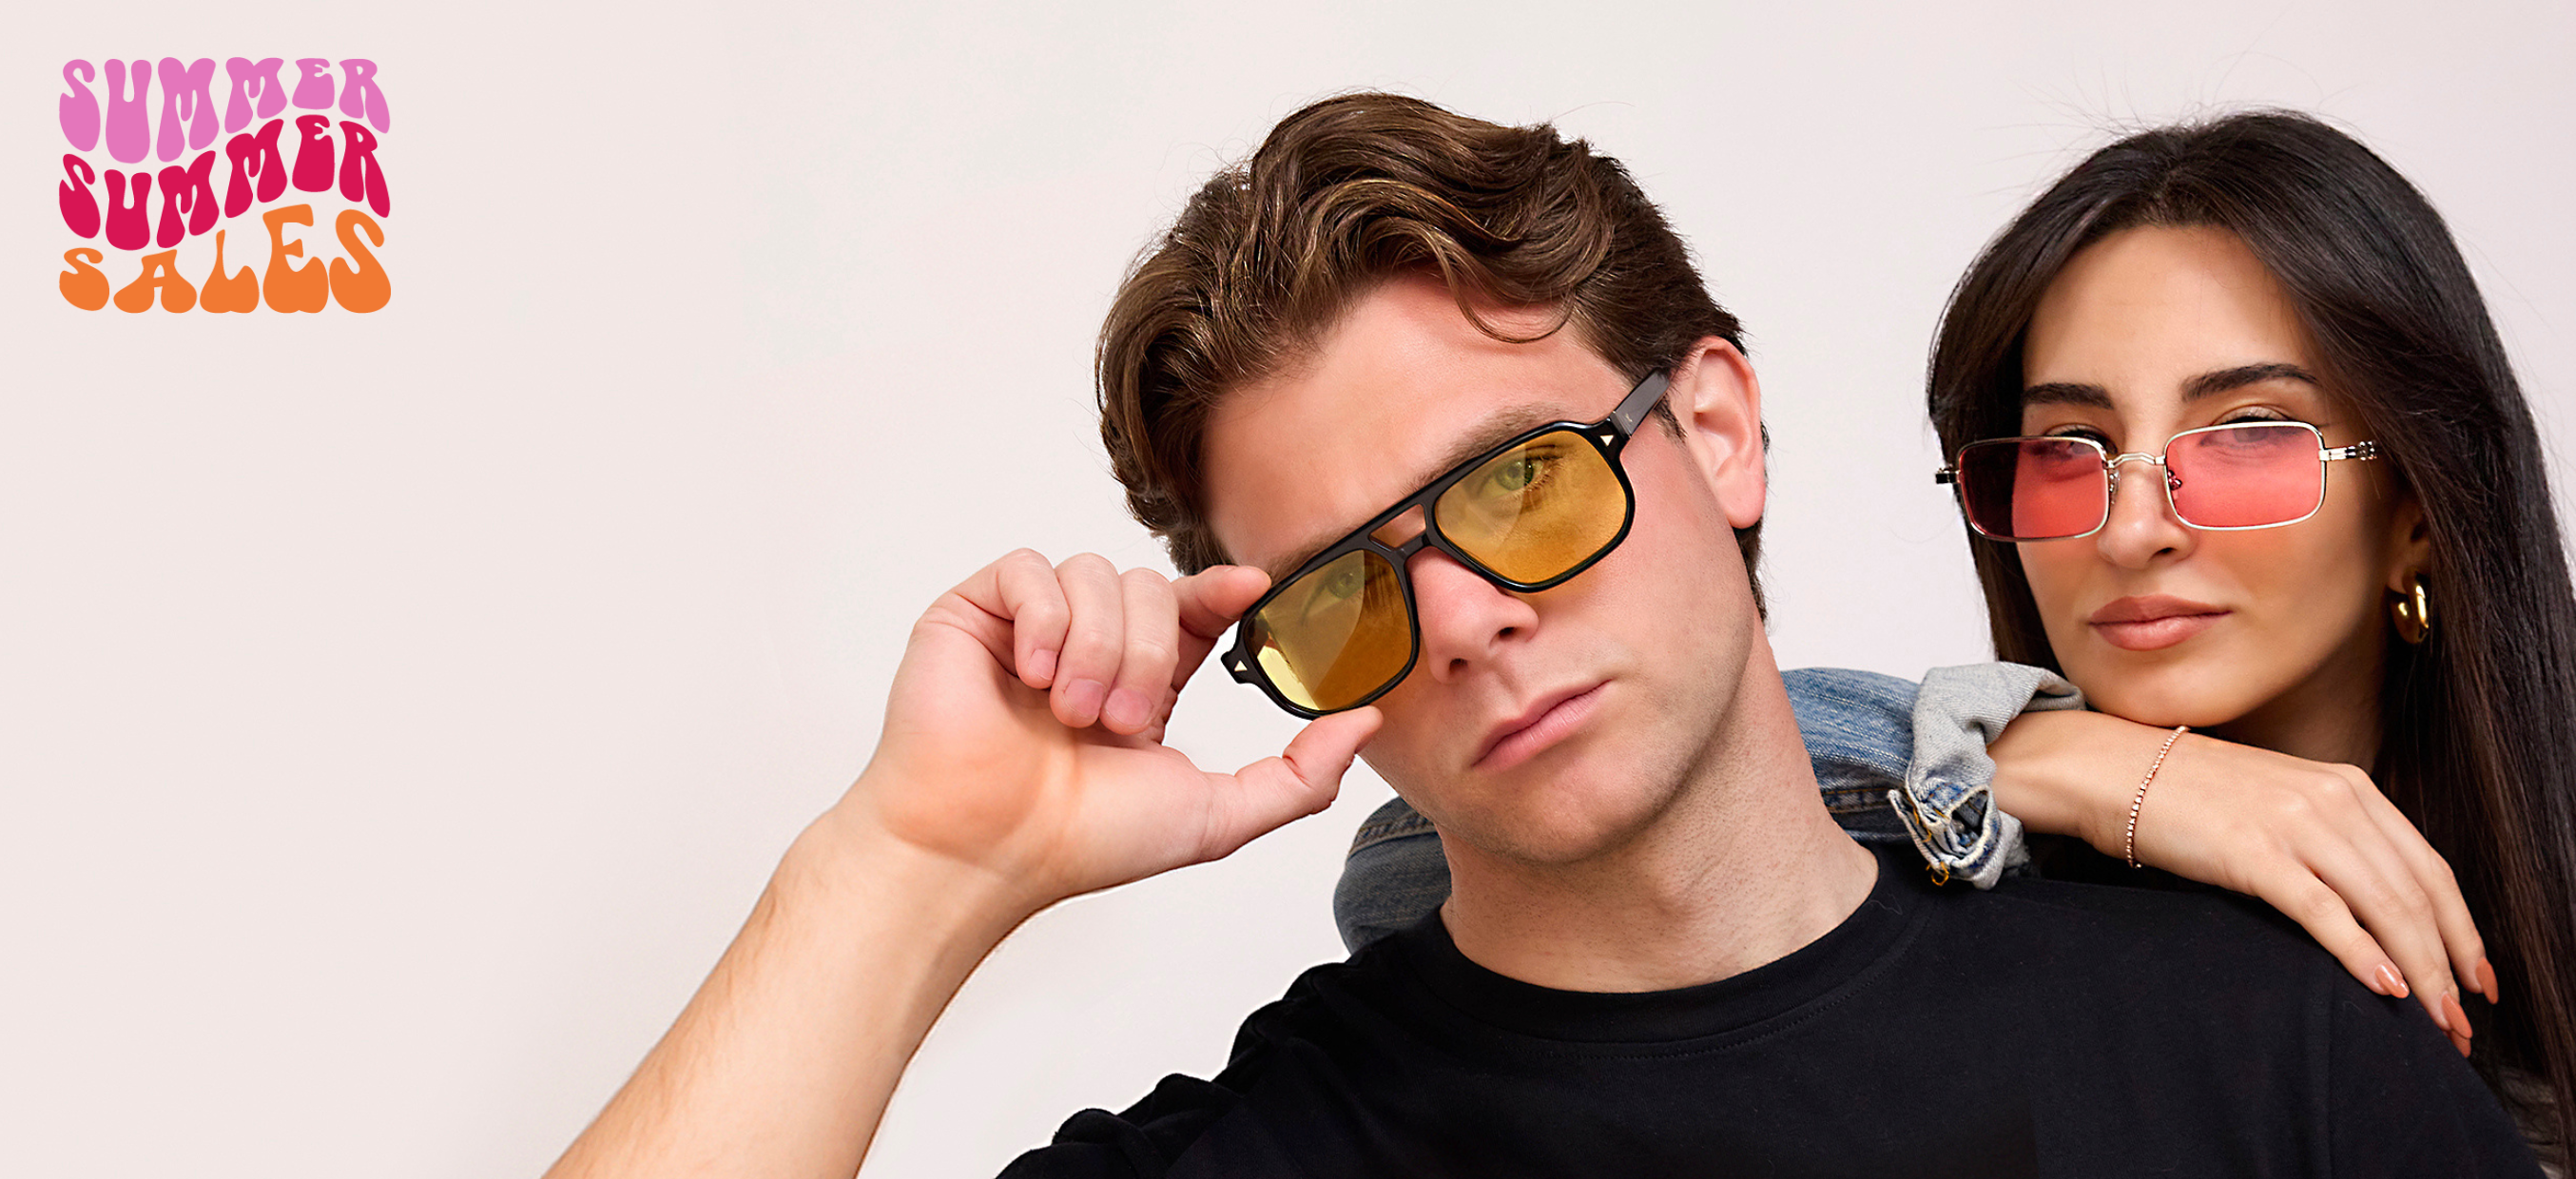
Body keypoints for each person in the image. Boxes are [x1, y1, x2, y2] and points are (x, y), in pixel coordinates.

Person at [543, 94, 2538, 1178]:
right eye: (1344, 586)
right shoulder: (1270, 1152)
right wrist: (908, 866)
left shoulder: (2253, 1039)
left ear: (1719, 430)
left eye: (1517, 483)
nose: (1465, 618)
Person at [1332, 109, 2576, 1169]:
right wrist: (2058, 766)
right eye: (2066, 447)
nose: (2130, 527)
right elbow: (1408, 865)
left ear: (2417, 512)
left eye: (2246, 433)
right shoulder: (1959, 897)